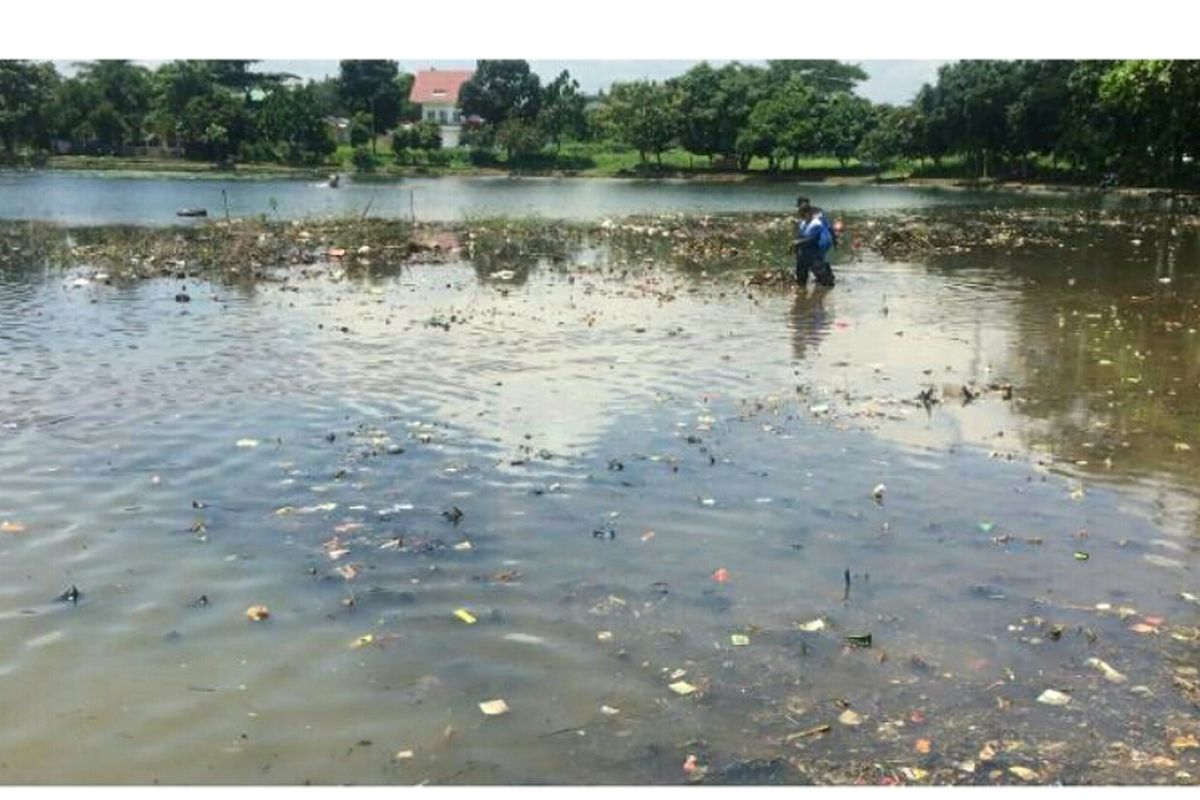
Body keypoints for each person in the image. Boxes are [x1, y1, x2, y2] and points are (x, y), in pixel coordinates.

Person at [793, 196, 838, 287]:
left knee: (815, 260)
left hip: (822, 239)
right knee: (814, 259)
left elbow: (813, 236)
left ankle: (826, 278)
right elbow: (829, 226)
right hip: (825, 238)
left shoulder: (814, 220)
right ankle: (824, 275)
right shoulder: (815, 212)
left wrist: (798, 243)